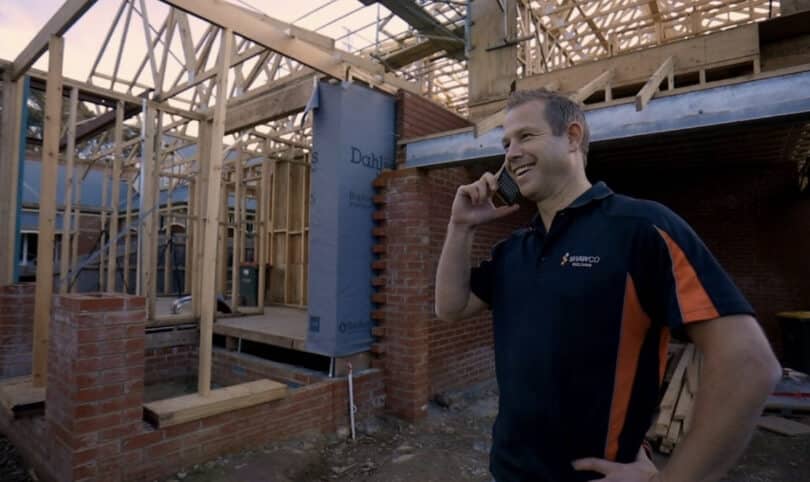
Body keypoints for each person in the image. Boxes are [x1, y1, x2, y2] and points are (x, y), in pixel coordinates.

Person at [434, 88, 781, 482]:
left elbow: (749, 363)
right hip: (507, 471)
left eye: (526, 136)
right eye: (506, 143)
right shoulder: (515, 249)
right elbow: (450, 307)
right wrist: (460, 226)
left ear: (573, 136)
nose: (511, 154)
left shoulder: (641, 228)